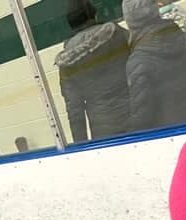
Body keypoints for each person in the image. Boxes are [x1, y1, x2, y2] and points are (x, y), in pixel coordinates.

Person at [54, 0, 131, 143]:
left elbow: (74, 110)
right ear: (93, 14)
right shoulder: (117, 33)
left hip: (103, 129)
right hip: (137, 115)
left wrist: (80, 144)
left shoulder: (66, 60)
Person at [122, 0, 186, 132]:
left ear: (130, 21)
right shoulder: (183, 40)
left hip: (166, 135)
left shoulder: (138, 61)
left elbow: (143, 117)